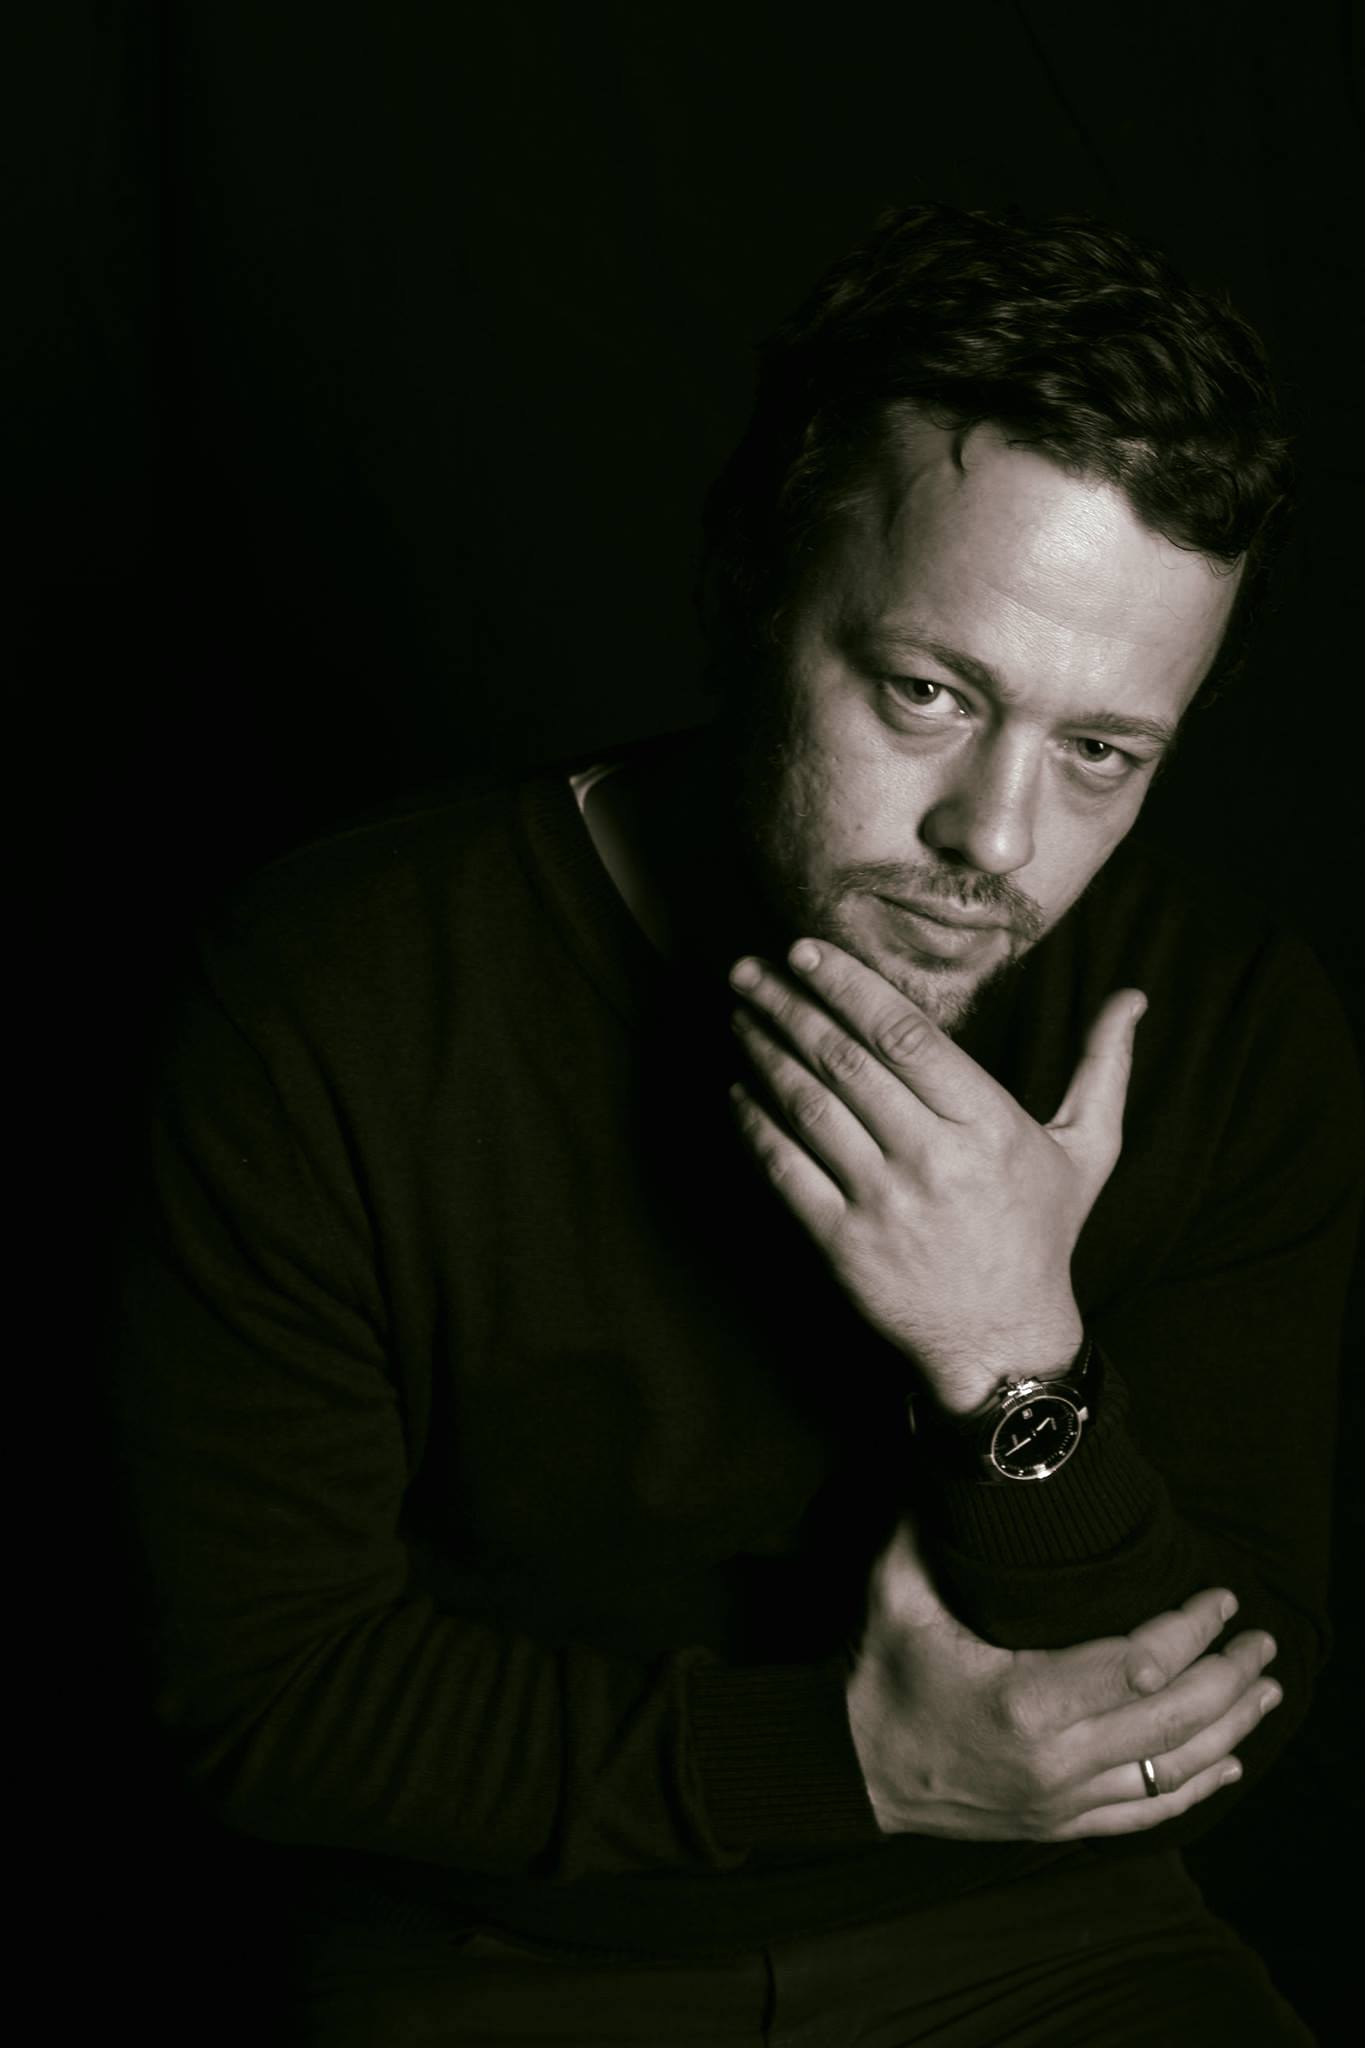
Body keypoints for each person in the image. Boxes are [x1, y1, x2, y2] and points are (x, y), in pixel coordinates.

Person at [110, 203, 1363, 2044]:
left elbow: (1199, 1723)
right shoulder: (333, 996)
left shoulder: (1223, 1025)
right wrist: (846, 1765)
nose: (994, 838)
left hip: (1049, 1940)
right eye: (925, 692)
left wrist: (1009, 1352)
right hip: (504, 1965)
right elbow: (260, 1698)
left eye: (1099, 753)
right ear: (749, 590)